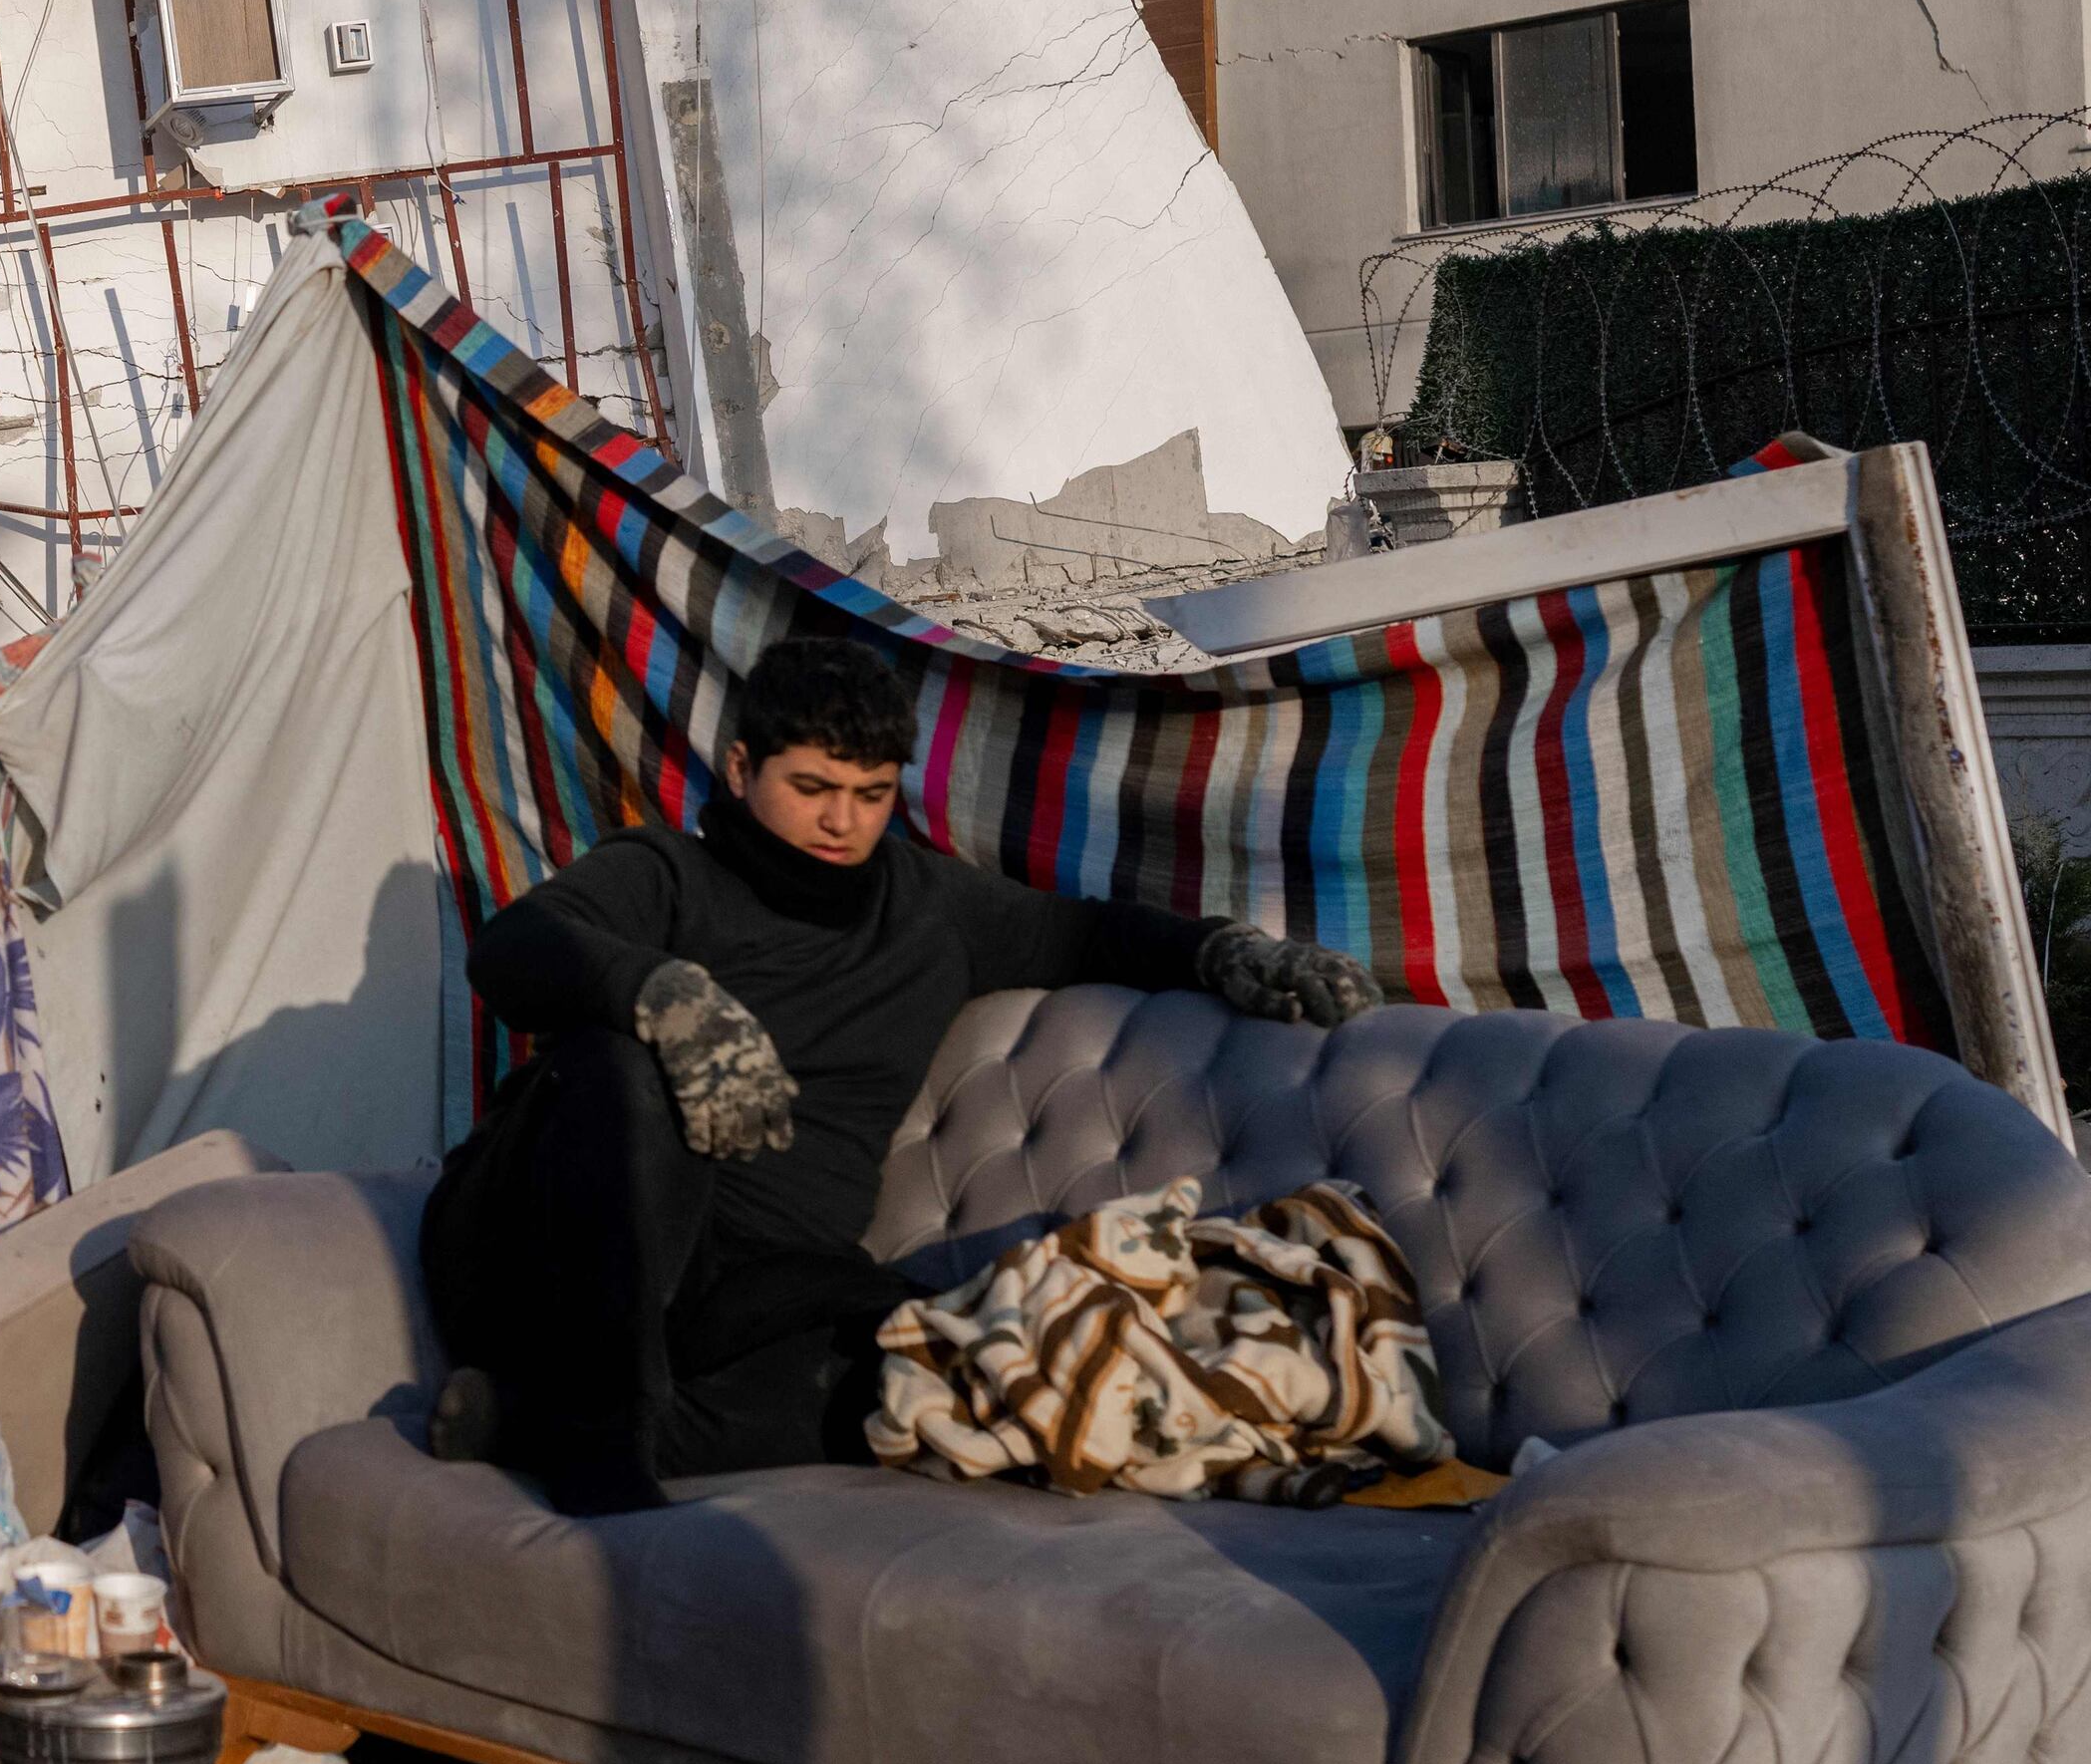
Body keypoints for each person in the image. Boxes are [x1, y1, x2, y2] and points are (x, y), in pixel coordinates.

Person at [419, 633, 1383, 1512]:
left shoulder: (927, 907)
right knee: (618, 1065)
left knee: (910, 1374)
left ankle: (536, 1426)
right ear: (743, 767)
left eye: (870, 792)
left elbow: (1088, 930)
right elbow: (514, 945)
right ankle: (599, 1457)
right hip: (549, 1263)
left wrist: (1228, 953)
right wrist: (666, 997)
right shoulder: (665, 875)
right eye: (810, 787)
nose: (839, 820)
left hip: (746, 1292)